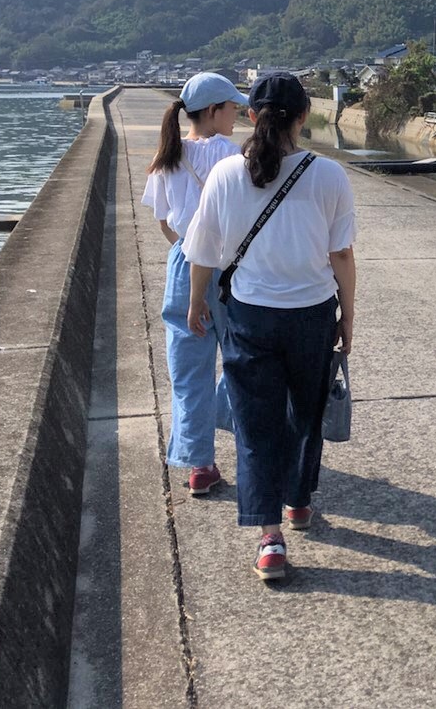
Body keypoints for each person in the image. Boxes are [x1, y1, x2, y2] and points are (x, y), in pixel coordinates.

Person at [181, 72, 357, 583]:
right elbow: (342, 256)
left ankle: (270, 538)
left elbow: (203, 251)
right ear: (304, 117)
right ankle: (298, 502)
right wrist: (348, 315)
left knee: (256, 426)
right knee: (306, 412)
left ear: (252, 115)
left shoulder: (225, 175)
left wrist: (196, 302)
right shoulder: (329, 175)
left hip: (249, 316)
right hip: (312, 314)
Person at [141, 72, 247, 497]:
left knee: (188, 372)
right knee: (243, 358)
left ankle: (200, 464)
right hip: (233, 268)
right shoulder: (234, 156)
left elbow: (164, 223)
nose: (237, 115)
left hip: (184, 264)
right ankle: (242, 434)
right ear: (213, 111)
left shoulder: (167, 155)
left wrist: (188, 247)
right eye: (232, 108)